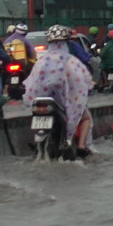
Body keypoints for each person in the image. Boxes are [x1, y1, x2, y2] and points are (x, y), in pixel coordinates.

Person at [23, 25, 94, 157]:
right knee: (85, 118)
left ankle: (39, 141)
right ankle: (82, 145)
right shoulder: (70, 60)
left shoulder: (42, 60)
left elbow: (31, 82)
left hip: (43, 101)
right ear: (65, 42)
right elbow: (83, 79)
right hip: (64, 102)